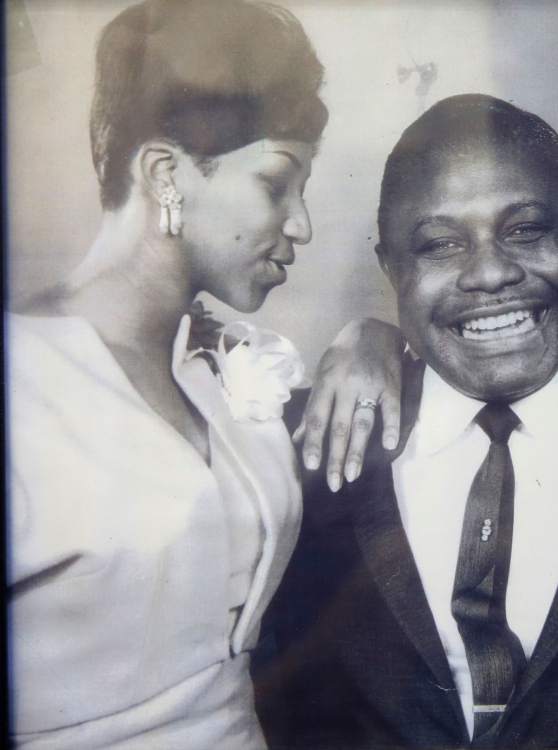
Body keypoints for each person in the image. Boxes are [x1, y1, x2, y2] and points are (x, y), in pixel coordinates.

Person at [253, 94, 558, 748]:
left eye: (526, 229)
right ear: (391, 266)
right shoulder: (297, 446)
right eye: (441, 244)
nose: (492, 272)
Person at [6, 1, 328, 747]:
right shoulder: (21, 386)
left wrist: (371, 341)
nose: (304, 223)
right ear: (164, 175)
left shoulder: (223, 366)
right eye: (279, 182)